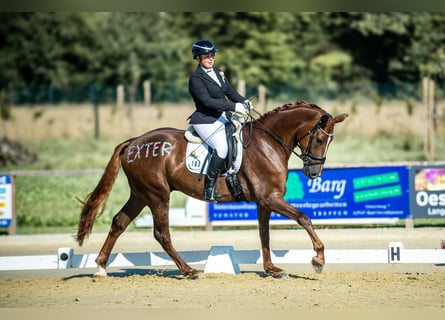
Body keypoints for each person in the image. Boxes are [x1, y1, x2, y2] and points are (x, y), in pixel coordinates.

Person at [188, 39, 252, 201]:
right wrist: (233, 107)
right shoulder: (196, 78)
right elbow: (207, 101)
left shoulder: (217, 73)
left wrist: (243, 101)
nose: (211, 58)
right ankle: (208, 189)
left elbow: (230, 92)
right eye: (206, 56)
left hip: (222, 117)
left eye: (212, 55)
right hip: (205, 120)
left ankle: (233, 175)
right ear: (198, 58)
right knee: (222, 148)